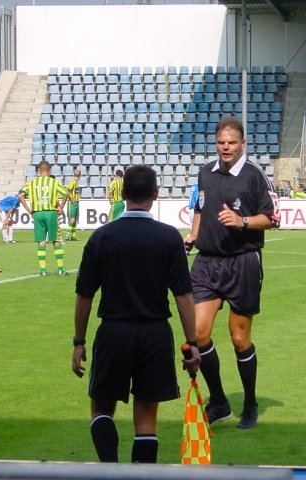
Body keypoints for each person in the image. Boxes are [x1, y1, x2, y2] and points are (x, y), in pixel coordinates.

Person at [72, 165, 200, 464]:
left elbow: (84, 296)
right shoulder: (169, 238)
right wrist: (192, 343)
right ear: (155, 195)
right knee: (146, 419)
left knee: (101, 409)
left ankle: (109, 470)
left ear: (124, 193)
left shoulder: (102, 237)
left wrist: (79, 341)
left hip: (113, 332)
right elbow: (183, 295)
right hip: (154, 334)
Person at [183, 117, 280, 430]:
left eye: (232, 142)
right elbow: (199, 207)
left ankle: (249, 403)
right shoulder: (205, 173)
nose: (226, 147)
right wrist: (193, 234)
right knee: (198, 334)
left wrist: (243, 222)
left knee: (239, 339)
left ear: (242, 145)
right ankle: (220, 402)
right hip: (207, 262)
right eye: (221, 142)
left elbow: (272, 217)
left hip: (242, 263)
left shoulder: (253, 176)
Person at [19, 160, 69, 276]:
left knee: (41, 241)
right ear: (50, 169)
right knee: (56, 240)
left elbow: (21, 195)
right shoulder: (54, 182)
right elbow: (66, 193)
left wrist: (28, 209)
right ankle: (61, 269)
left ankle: (43, 270)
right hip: (51, 212)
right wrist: (61, 207)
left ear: (38, 170)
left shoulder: (31, 183)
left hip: (38, 213)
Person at [66, 169, 82, 241]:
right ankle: (67, 236)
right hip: (72, 203)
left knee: (75, 219)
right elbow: (67, 190)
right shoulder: (72, 182)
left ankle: (72, 236)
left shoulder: (76, 182)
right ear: (79, 176)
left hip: (76, 202)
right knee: (72, 219)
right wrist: (71, 198)